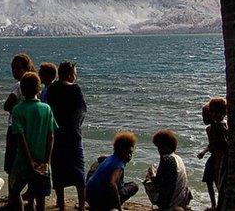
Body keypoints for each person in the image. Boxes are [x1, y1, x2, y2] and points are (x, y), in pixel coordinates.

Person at [8, 71, 57, 211]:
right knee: (40, 196)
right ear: (39, 89)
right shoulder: (46, 109)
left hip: (23, 161)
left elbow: (20, 137)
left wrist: (29, 161)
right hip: (42, 161)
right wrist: (47, 161)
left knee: (14, 191)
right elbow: (51, 135)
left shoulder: (18, 110)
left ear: (22, 90)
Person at [46, 61, 87, 211]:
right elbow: (82, 111)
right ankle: (82, 206)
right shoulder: (75, 89)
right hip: (73, 135)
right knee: (79, 172)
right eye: (75, 73)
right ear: (70, 74)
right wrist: (75, 126)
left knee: (58, 172)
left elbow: (49, 110)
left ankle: (61, 205)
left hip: (56, 134)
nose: (75, 75)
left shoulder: (52, 89)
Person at [86, 131, 139, 210]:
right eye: (128, 153)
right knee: (134, 186)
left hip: (89, 198)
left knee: (97, 164)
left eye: (131, 153)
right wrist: (119, 208)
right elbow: (112, 184)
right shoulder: (119, 164)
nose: (130, 156)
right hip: (102, 204)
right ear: (120, 151)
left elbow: (99, 159)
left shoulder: (111, 157)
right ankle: (111, 206)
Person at [3, 53, 35, 176]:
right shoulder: (35, 85)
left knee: (12, 162)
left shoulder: (18, 85)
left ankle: (13, 192)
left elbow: (7, 105)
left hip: (15, 128)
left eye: (17, 68)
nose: (14, 71)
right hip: (29, 128)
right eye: (13, 68)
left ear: (26, 69)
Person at [147, 130, 191, 211]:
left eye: (159, 147)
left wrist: (152, 174)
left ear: (164, 146)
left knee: (148, 181)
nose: (159, 150)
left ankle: (162, 207)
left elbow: (157, 181)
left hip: (170, 201)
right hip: (182, 198)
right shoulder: (178, 158)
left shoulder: (166, 158)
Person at [197, 97, 228, 210]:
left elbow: (224, 143)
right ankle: (214, 204)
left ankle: (219, 204)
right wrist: (204, 152)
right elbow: (211, 144)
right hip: (214, 155)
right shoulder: (210, 128)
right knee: (209, 179)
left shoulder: (221, 126)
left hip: (220, 156)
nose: (205, 118)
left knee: (219, 180)